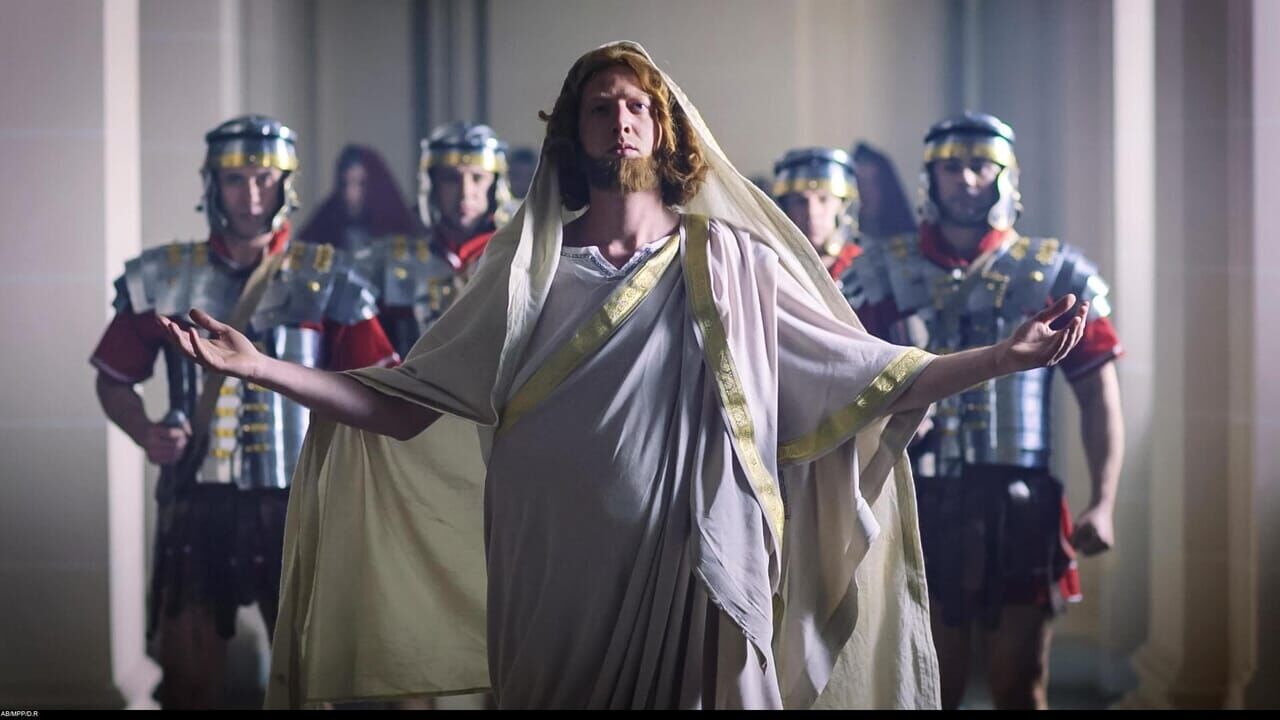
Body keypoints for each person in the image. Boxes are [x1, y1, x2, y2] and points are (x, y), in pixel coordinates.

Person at [161, 46, 1089, 710]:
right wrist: (263, 367)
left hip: (699, 566)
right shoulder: (525, 268)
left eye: (639, 105)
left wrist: (1002, 359)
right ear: (572, 133)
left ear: (667, 128)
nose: (621, 119)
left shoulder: (731, 261)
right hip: (550, 572)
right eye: (600, 107)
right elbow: (403, 404)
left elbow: (866, 374)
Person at [90, 115, 397, 709]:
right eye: (236, 179)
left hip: (302, 497)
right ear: (212, 184)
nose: (251, 194)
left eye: (264, 178)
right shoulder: (163, 275)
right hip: (196, 501)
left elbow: (379, 391)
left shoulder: (327, 276)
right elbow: (114, 378)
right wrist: (146, 432)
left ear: (286, 184)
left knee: (312, 681)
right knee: (189, 679)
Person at [842, 112, 1125, 709]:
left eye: (981, 165)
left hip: (1020, 498)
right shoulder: (879, 270)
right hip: (916, 492)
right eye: (952, 166)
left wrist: (1104, 500)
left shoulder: (1058, 271)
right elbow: (845, 381)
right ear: (930, 177)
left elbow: (1097, 391)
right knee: (928, 683)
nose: (967, 178)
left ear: (1006, 176)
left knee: (1019, 684)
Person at [353, 123, 514, 358]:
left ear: (496, 184)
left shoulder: (520, 256)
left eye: (478, 178)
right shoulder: (389, 262)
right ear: (432, 184)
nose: (465, 192)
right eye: (451, 179)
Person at [297, 145, 418, 252]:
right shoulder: (326, 219)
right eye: (345, 184)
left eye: (360, 184)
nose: (350, 193)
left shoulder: (396, 222)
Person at [771, 147, 862, 281]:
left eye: (823, 199)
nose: (812, 212)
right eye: (800, 201)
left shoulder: (872, 271)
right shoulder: (770, 269)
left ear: (843, 206)